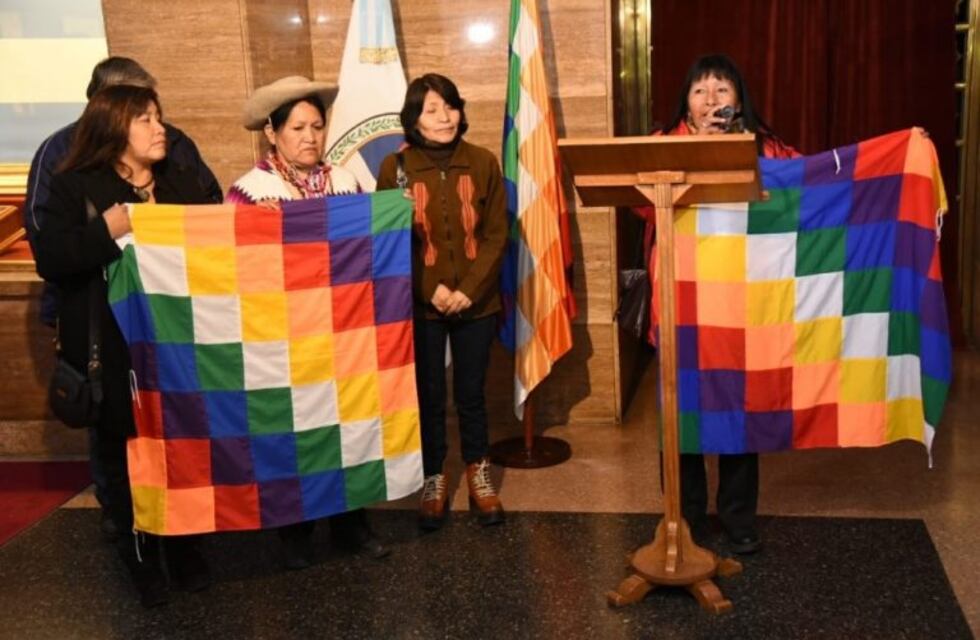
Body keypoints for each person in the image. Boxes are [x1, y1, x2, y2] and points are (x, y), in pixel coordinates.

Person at [24, 56, 222, 542]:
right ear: (109, 114)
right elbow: (49, 250)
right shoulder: (67, 169)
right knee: (117, 441)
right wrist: (106, 232)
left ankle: (185, 543)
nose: (160, 128)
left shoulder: (177, 169)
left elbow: (216, 222)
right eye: (144, 116)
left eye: (157, 114)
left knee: (180, 438)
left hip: (175, 336)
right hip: (106, 336)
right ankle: (130, 536)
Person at [226, 75, 386, 569]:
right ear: (272, 133)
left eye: (317, 126)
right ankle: (294, 532)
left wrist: (392, 213)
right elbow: (230, 268)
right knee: (291, 433)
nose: (310, 137)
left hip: (342, 333)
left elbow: (369, 244)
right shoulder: (250, 191)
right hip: (283, 338)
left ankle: (351, 526)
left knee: (347, 429)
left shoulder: (345, 179)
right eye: (297, 128)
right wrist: (256, 230)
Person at [642, 54, 798, 555]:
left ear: (738, 99)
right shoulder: (662, 144)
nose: (711, 100)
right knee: (680, 411)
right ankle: (683, 516)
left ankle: (737, 518)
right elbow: (639, 203)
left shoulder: (766, 147)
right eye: (700, 90)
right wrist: (699, 151)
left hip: (741, 303)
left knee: (739, 410)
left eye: (722, 90)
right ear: (685, 102)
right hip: (681, 300)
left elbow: (809, 187)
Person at [376, 74, 508, 531]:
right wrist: (430, 288)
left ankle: (478, 474)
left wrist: (469, 288)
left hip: (477, 301)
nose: (444, 116)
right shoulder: (394, 168)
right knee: (429, 395)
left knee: (471, 394)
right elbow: (391, 239)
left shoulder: (483, 161)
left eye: (450, 106)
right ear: (413, 119)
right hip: (421, 303)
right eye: (431, 109)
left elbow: (496, 235)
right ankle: (434, 477)